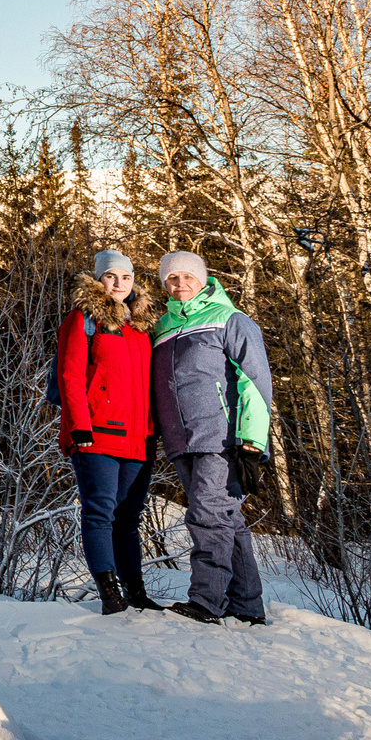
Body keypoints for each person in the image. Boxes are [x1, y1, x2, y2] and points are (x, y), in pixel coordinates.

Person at [150, 250, 274, 625]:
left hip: (220, 438)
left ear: (204, 280)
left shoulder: (229, 319)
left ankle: (206, 602)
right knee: (226, 520)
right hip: (179, 440)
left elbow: (256, 381)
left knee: (207, 516)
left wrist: (252, 442)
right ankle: (248, 606)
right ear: (165, 285)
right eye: (172, 278)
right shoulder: (161, 328)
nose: (181, 283)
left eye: (188, 276)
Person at [57, 249, 162, 614]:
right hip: (97, 434)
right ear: (99, 279)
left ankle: (136, 592)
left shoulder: (142, 326)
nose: (119, 284)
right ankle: (110, 595)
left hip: (140, 438)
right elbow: (70, 376)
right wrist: (79, 428)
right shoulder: (84, 319)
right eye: (111, 276)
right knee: (100, 512)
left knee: (129, 518)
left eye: (126, 277)